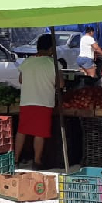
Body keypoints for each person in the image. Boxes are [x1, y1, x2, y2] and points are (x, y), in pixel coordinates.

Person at [14, 34, 63, 169]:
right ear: (51, 49)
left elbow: (21, 80)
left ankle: (16, 159)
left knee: (22, 131)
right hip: (43, 102)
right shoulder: (53, 63)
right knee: (39, 133)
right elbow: (61, 84)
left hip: (27, 101)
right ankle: (37, 161)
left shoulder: (27, 61)